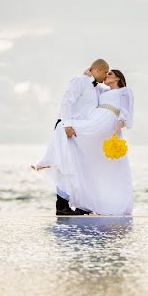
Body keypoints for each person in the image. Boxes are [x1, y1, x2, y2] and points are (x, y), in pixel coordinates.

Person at [34, 68, 134, 216]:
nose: (107, 76)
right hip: (95, 120)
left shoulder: (124, 92)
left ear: (118, 78)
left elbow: (126, 112)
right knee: (68, 133)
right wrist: (88, 75)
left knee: (63, 126)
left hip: (107, 122)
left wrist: (116, 130)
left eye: (110, 74)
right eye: (106, 73)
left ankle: (48, 160)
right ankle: (84, 200)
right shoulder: (103, 91)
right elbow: (92, 85)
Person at [48, 59, 110, 215]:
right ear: (99, 70)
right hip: (66, 127)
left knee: (78, 167)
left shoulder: (97, 89)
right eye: (105, 72)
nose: (106, 76)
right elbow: (66, 102)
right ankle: (61, 206)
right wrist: (67, 124)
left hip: (79, 131)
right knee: (65, 167)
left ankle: (80, 205)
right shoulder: (79, 81)